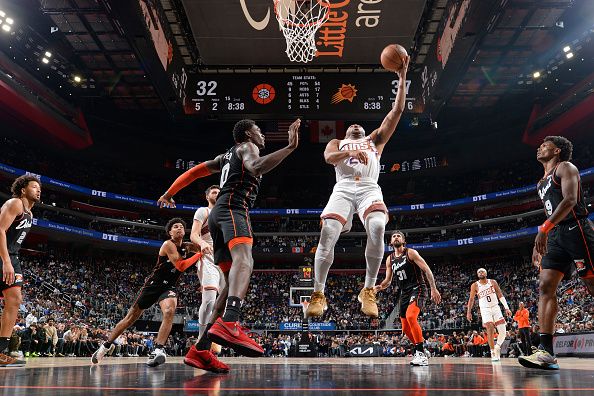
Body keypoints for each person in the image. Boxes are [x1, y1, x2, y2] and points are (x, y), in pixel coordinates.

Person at [158, 118, 300, 372]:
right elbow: (256, 167)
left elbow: (192, 173)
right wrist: (289, 148)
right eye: (259, 131)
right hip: (234, 208)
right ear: (248, 133)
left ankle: (200, 350)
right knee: (246, 260)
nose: (263, 136)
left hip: (216, 217)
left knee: (228, 283)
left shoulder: (223, 157)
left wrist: (169, 193)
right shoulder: (249, 147)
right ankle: (231, 322)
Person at [306, 55, 410, 319]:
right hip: (342, 188)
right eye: (351, 125)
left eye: (359, 125)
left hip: (368, 188)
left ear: (364, 133)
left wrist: (401, 78)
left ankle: (368, 290)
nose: (355, 125)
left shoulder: (374, 141)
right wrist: (346, 154)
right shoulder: (336, 143)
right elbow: (328, 159)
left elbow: (396, 112)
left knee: (377, 227)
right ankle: (318, 293)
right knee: (328, 232)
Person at [520, 136, 594, 370]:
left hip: (577, 229)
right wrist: (540, 239)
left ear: (557, 150)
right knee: (545, 286)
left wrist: (544, 228)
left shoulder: (565, 167)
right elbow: (551, 212)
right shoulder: (541, 182)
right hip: (556, 235)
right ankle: (545, 352)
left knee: (592, 285)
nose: (540, 146)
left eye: (545, 144)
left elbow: (570, 200)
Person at [92, 218, 202, 367]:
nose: (179, 228)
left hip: (169, 286)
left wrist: (206, 246)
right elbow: (181, 266)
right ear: (170, 232)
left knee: (170, 311)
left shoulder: (187, 246)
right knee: (130, 319)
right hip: (153, 285)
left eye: (181, 226)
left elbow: (205, 247)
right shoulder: (168, 244)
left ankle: (158, 350)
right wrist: (199, 255)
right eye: (175, 226)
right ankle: (105, 346)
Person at [374, 231, 441, 366]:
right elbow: (388, 281)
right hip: (404, 292)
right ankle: (422, 349)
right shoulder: (390, 259)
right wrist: (379, 287)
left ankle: (421, 354)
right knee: (405, 328)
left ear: (404, 241)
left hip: (418, 288)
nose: (396, 237)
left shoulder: (411, 253)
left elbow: (427, 270)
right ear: (391, 242)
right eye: (394, 236)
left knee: (411, 317)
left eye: (399, 236)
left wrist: (433, 288)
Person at [0, 175, 41, 367]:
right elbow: (0, 230)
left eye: (39, 188)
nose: (38, 190)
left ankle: (0, 351)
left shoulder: (30, 214)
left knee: (15, 300)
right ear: (23, 190)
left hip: (13, 257)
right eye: (34, 187)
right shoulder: (15, 203)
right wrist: (6, 261)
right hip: (3, 256)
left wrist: (11, 260)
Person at [190, 185, 225, 339]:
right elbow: (193, 235)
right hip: (209, 258)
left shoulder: (227, 215)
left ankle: (215, 335)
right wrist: (202, 243)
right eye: (214, 192)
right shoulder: (203, 211)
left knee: (226, 303)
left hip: (226, 260)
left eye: (219, 192)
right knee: (210, 301)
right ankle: (201, 337)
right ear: (207, 196)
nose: (217, 194)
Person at [466, 268, 512, 361]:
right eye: (478, 272)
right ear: (477, 275)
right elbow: (471, 300)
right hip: (485, 309)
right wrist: (468, 312)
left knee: (503, 332)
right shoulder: (475, 285)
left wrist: (506, 307)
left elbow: (500, 294)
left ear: (486, 273)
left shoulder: (493, 282)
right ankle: (492, 352)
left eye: (482, 271)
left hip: (496, 307)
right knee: (490, 327)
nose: (480, 272)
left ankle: (497, 347)